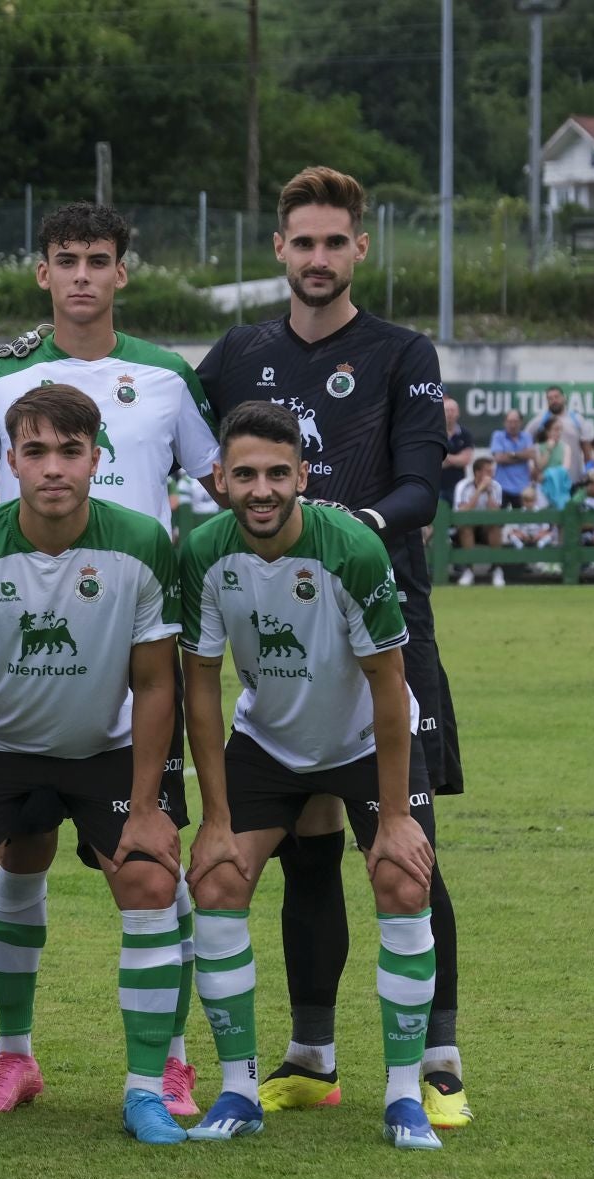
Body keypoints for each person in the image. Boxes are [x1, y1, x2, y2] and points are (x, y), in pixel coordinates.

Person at [0, 201, 217, 1118]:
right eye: (65, 259)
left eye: (98, 259)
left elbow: (228, 482)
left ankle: (166, 1065)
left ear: (123, 271)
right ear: (41, 272)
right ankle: (7, 1059)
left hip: (127, 654)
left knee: (153, 864)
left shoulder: (166, 376)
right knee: (9, 864)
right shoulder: (2, 378)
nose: (82, 274)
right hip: (14, 669)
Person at [196, 166, 470, 1128]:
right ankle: (311, 1053)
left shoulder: (400, 352)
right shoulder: (237, 352)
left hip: (383, 620)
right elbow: (190, 448)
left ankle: (436, 1060)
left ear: (360, 246)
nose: (317, 258)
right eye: (300, 242)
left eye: (334, 241)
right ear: (279, 249)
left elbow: (421, 491)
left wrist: (334, 523)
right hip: (277, 634)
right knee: (304, 855)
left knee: (408, 846)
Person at [0, 383, 185, 1147]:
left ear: (98, 458)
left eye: (70, 451)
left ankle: (145, 1091)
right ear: (10, 461)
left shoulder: (140, 542)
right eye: (35, 452)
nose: (54, 469)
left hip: (105, 749)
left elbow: (157, 680)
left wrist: (145, 805)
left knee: (151, 877)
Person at [179, 399, 442, 1151]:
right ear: (221, 479)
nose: (260, 490)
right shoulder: (202, 551)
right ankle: (236, 1091)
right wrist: (216, 819)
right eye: (244, 475)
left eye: (276, 474)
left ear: (301, 475)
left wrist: (394, 818)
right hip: (270, 740)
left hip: (365, 737)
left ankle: (402, 1097)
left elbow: (389, 685)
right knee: (220, 882)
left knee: (401, 878)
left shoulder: (351, 548)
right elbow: (201, 683)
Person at [451, 457, 505, 588]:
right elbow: (462, 513)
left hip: (486, 528)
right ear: (477, 472)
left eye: (492, 471)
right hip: (466, 528)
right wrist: (479, 490)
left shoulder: (496, 486)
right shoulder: (462, 486)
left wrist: (489, 493)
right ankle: (469, 570)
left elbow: (496, 514)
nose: (491, 475)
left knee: (495, 527)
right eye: (488, 471)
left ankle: (497, 569)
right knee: (466, 527)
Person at [527, 387, 584, 481]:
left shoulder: (577, 420)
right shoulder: (539, 421)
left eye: (556, 397)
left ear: (564, 398)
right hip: (546, 481)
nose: (554, 400)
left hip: (573, 478)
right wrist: (534, 469)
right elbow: (526, 443)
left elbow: (586, 449)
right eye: (550, 398)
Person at [489, 411, 533, 510]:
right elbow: (499, 458)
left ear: (521, 422)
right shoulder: (498, 436)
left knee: (522, 523)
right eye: (509, 422)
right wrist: (522, 456)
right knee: (498, 522)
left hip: (523, 488)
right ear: (504, 422)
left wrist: (511, 454)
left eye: (516, 422)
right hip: (502, 487)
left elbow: (531, 454)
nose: (512, 425)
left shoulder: (527, 436)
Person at [535, 416, 577, 507]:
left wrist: (546, 474)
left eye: (560, 429)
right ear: (547, 431)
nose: (558, 432)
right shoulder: (538, 447)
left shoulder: (566, 447)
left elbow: (564, 468)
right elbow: (540, 466)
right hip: (543, 487)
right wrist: (549, 450)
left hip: (560, 486)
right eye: (555, 429)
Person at [437, 397, 471, 505]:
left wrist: (444, 457)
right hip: (436, 485)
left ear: (458, 413)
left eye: (453, 410)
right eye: (447, 410)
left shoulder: (465, 434)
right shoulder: (434, 433)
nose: (450, 414)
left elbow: (465, 460)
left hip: (458, 486)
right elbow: (432, 461)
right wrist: (456, 459)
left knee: (458, 519)